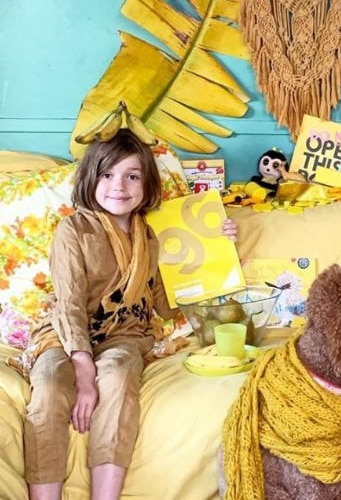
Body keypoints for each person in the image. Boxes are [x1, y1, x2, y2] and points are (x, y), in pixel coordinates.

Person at [15, 129, 237, 500]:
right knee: (51, 384)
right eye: (107, 174)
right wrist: (83, 368)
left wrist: (220, 245)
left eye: (132, 175)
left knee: (118, 376)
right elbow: (69, 303)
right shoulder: (75, 230)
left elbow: (165, 303)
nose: (119, 185)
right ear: (91, 179)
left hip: (124, 334)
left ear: (147, 184)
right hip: (66, 333)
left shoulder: (150, 236)